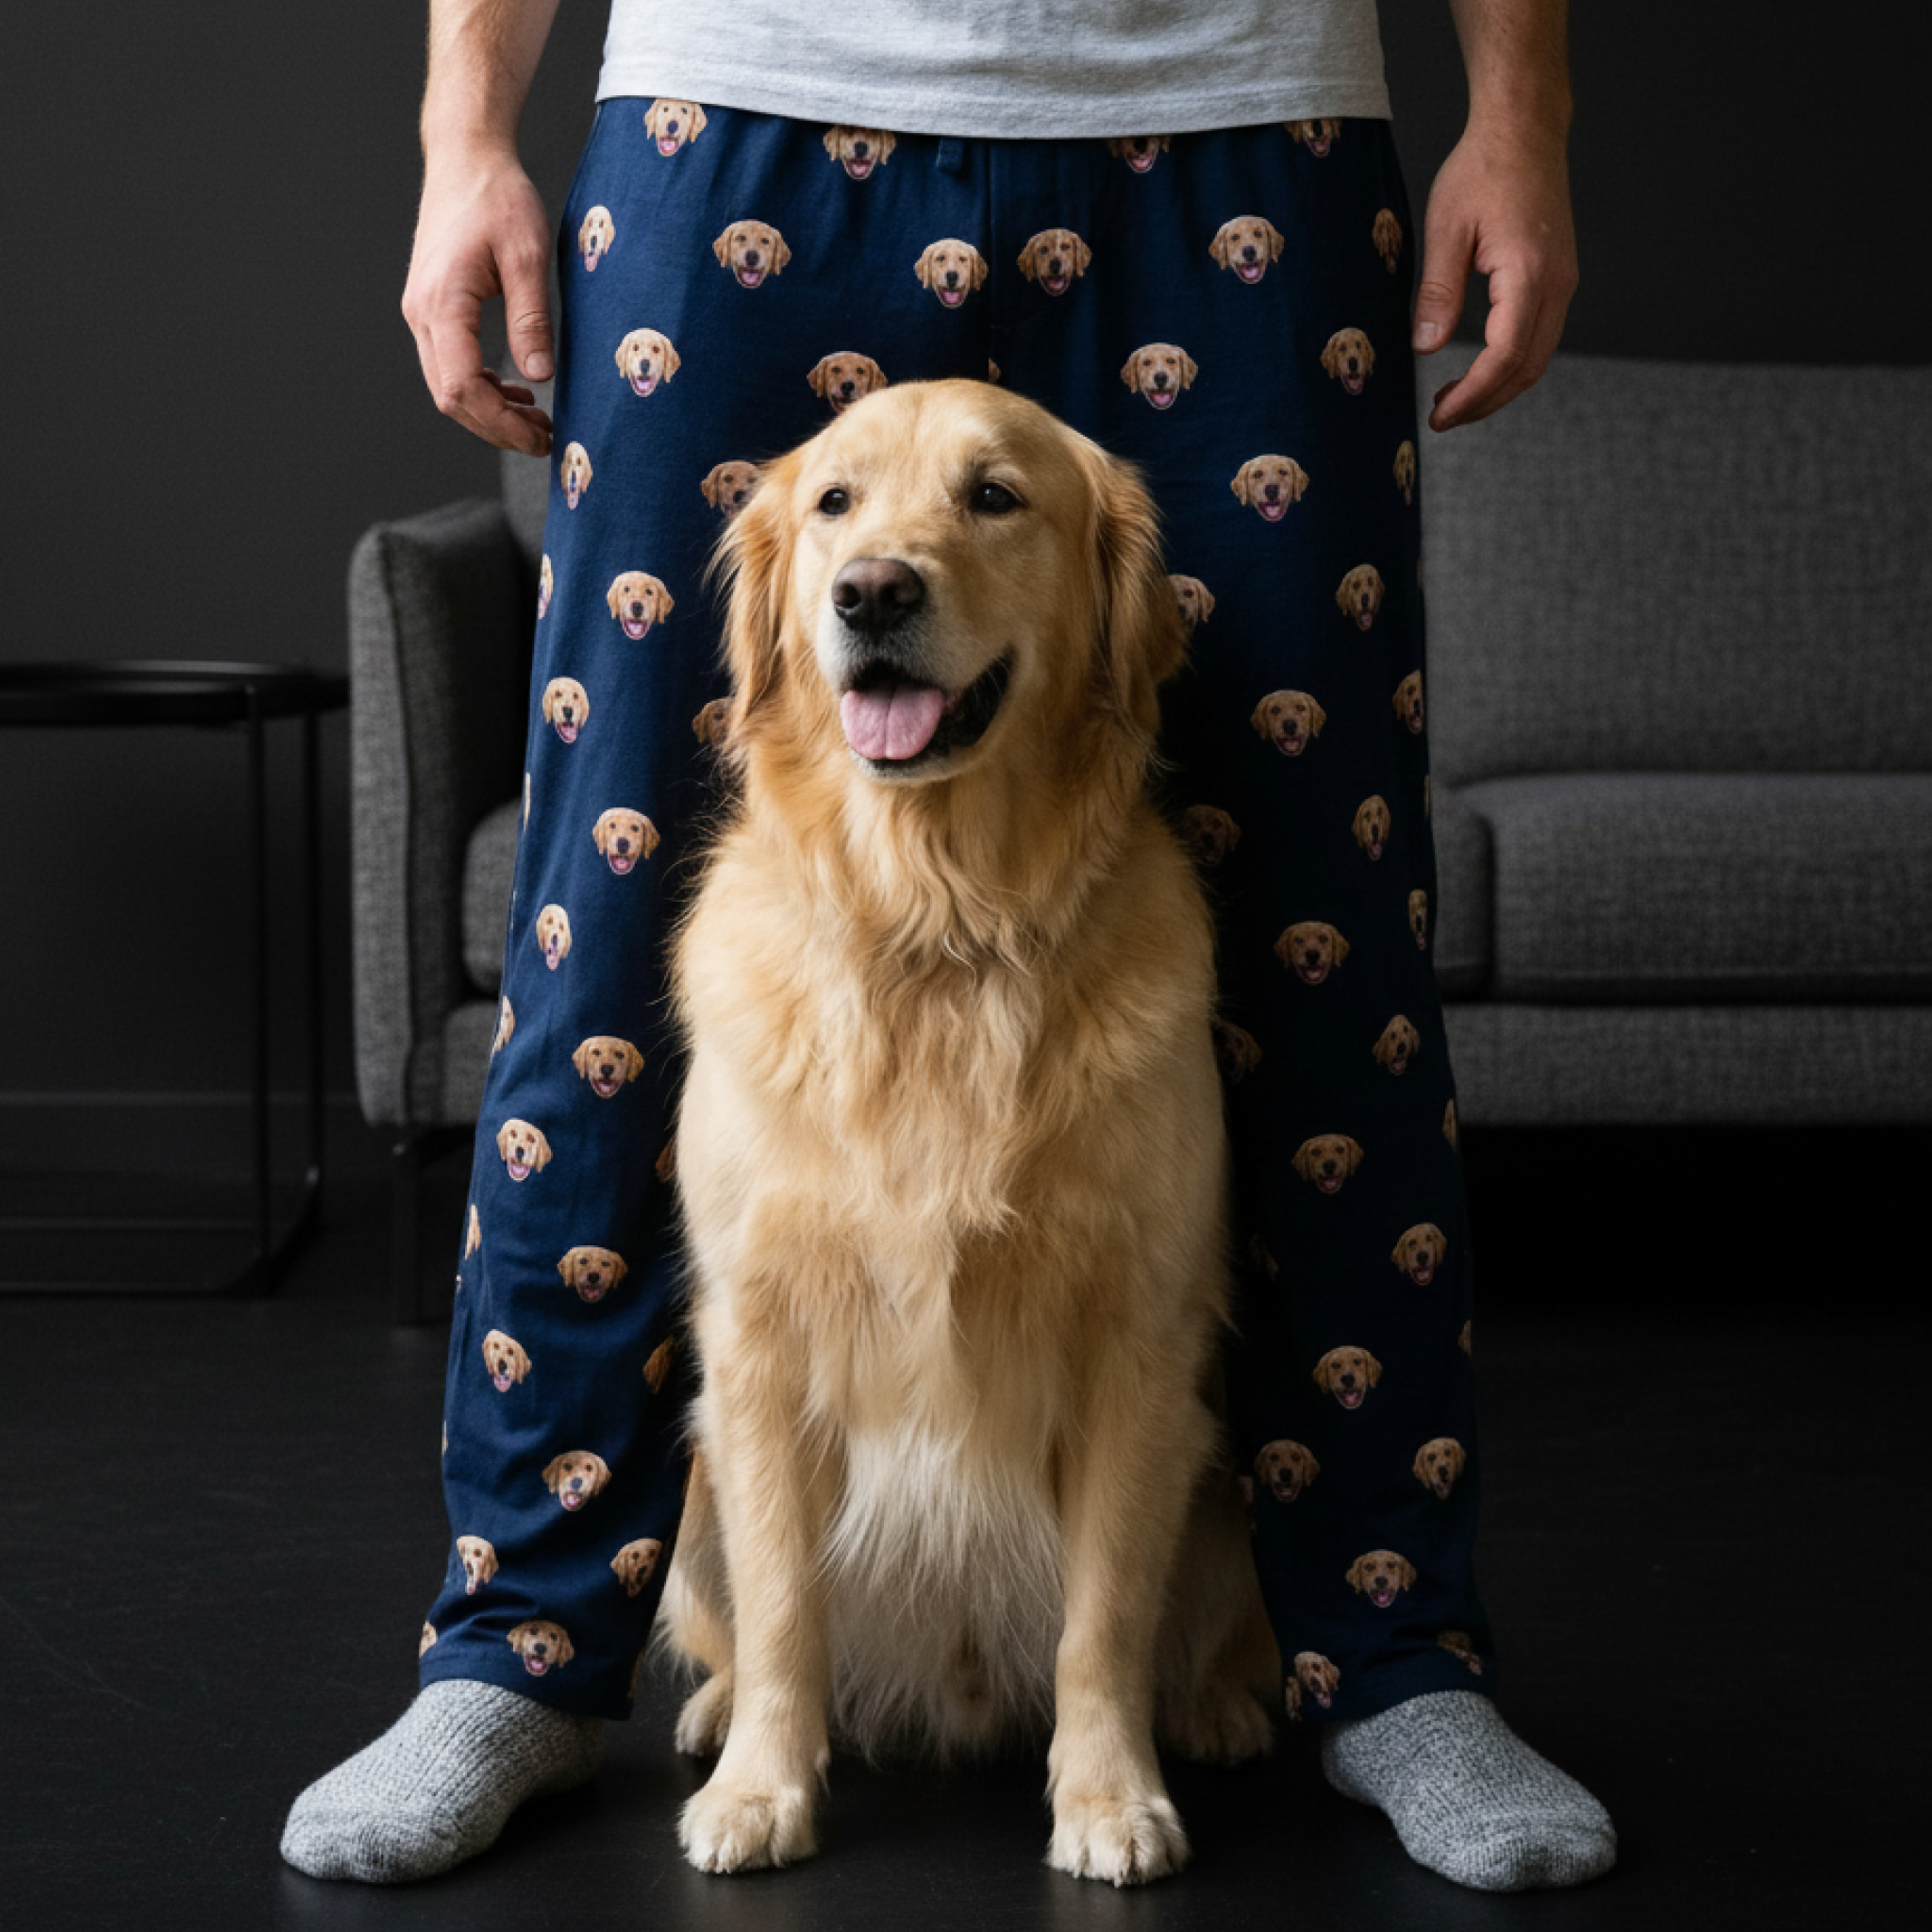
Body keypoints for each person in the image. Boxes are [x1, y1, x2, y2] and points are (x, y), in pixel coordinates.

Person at [284, 0, 1613, 1893]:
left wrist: (1520, 109)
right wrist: (461, 131)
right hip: (742, 101)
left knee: (1331, 947)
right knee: (598, 939)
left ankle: (1391, 1657)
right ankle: (519, 1648)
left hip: (1239, 110)